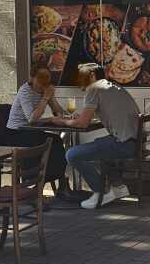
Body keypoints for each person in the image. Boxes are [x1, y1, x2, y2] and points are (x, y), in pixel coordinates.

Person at [48, 63, 137, 209]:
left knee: (72, 154)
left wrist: (62, 121)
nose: (77, 82)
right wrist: (79, 117)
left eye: (80, 77)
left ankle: (100, 192)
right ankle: (118, 187)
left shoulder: (94, 88)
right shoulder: (112, 86)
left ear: (91, 76)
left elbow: (83, 123)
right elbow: (93, 115)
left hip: (123, 144)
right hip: (133, 142)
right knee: (100, 142)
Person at [4, 64, 67, 184]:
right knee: (51, 142)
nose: (43, 82)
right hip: (16, 133)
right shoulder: (25, 91)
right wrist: (46, 99)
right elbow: (32, 119)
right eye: (40, 78)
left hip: (32, 131)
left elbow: (59, 112)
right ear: (32, 78)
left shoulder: (44, 90)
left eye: (46, 79)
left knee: (56, 141)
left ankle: (59, 182)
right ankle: (36, 180)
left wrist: (51, 98)